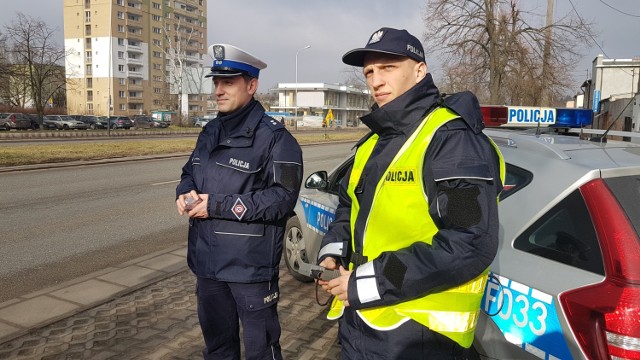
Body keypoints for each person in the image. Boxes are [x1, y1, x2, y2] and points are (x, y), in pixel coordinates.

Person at [317, 27, 505, 359]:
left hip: (415, 333)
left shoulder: (450, 140)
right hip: (361, 319)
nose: (375, 81)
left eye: (387, 67)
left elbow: (469, 241)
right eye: (369, 72)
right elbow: (349, 206)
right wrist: (333, 248)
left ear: (419, 70)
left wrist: (368, 282)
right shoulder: (374, 142)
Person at [176, 43, 303, 360]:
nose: (219, 90)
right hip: (207, 265)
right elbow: (189, 172)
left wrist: (215, 205)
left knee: (261, 351)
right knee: (218, 348)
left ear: (251, 85)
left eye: (228, 82)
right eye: (216, 82)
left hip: (249, 270)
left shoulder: (276, 138)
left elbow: (282, 199)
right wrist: (185, 192)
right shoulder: (209, 131)